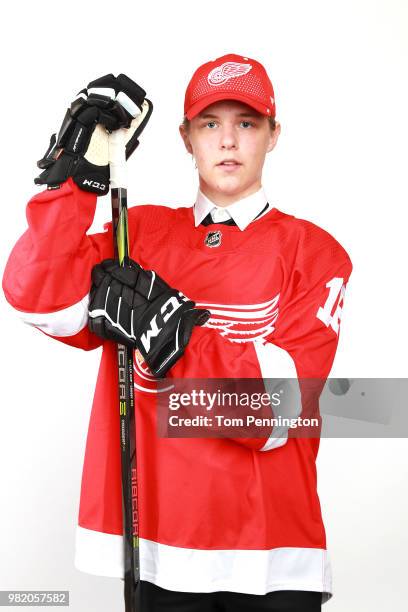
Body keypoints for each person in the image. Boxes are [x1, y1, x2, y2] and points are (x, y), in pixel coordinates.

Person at [2, 54, 352, 611]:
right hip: (159, 551)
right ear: (186, 137)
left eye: (247, 123)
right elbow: (36, 295)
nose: (229, 141)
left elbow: (273, 412)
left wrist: (169, 330)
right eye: (211, 124)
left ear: (273, 134)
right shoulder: (137, 234)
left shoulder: (315, 252)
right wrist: (75, 181)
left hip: (272, 557)